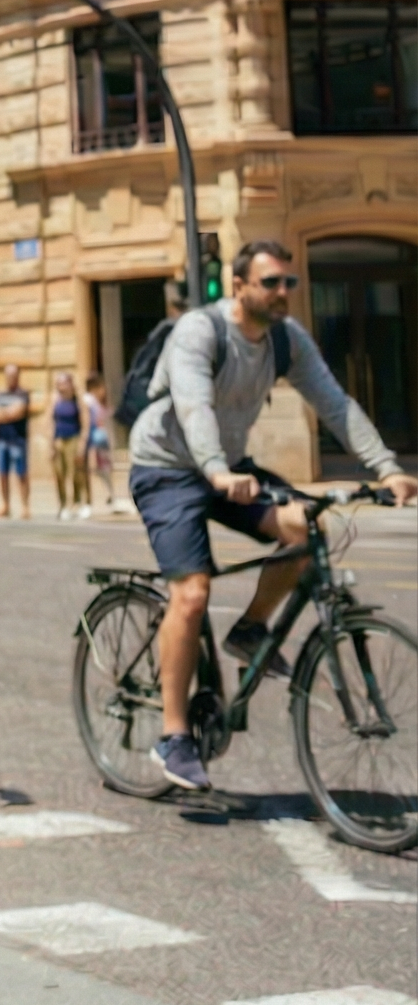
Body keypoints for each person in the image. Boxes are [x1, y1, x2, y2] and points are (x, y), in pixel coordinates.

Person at [129, 239, 417, 793]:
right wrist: (214, 469)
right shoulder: (200, 331)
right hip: (167, 467)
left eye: (291, 283)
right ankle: (174, 735)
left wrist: (386, 467)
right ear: (239, 287)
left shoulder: (286, 339)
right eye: (271, 283)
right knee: (191, 592)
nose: (284, 292)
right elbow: (193, 404)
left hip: (228, 466)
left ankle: (252, 627)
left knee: (307, 527)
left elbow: (334, 402)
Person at [0, 363, 31, 518]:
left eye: (13, 375)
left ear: (18, 376)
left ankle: (25, 507)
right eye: (8, 375)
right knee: (3, 474)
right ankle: (5, 505)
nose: (10, 378)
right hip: (2, 440)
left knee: (22, 474)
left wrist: (2, 414)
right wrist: (7, 413)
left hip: (18, 440)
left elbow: (18, 412)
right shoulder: (0, 394)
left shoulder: (23, 394)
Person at [49, 369, 89, 520]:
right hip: (59, 439)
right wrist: (50, 444)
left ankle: (77, 502)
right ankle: (63, 504)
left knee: (76, 473)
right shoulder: (55, 400)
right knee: (59, 473)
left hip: (74, 438)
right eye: (59, 384)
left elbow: (84, 422)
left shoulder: (78, 400)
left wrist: (82, 444)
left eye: (64, 383)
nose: (61, 387)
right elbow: (50, 421)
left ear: (71, 384)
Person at [83, 374, 119, 513]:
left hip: (100, 438)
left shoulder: (96, 402)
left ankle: (111, 494)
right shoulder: (88, 401)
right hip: (95, 439)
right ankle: (107, 495)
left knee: (105, 468)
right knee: (99, 468)